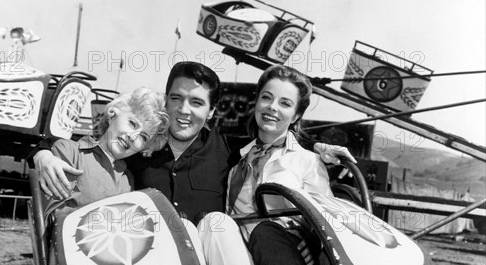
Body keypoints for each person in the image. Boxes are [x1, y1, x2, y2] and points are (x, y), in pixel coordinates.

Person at [31, 61, 354, 226]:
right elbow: (94, 149)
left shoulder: (231, 152)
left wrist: (316, 151)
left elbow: (273, 141)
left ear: (212, 111)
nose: (184, 111)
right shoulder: (139, 149)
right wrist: (42, 153)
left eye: (197, 103)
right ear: (166, 100)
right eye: (177, 99)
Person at [198, 64, 334, 265]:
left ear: (297, 114)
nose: (272, 108)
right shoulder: (239, 157)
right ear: (257, 102)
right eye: (266, 98)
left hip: (287, 252)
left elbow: (327, 223)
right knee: (213, 223)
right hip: (242, 254)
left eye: (285, 103)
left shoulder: (307, 161)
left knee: (265, 232)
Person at [43, 87, 169, 221]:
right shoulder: (69, 152)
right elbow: (51, 217)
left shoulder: (127, 181)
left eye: (143, 137)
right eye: (132, 123)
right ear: (112, 114)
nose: (133, 137)